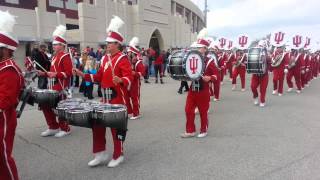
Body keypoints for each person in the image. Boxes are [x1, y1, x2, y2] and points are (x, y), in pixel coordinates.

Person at [74, 16, 133, 168]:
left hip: (117, 98)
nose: (107, 45)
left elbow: (129, 77)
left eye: (109, 43)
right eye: (107, 43)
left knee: (115, 129)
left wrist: (121, 80)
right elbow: (98, 76)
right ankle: (100, 154)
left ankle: (118, 155)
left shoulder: (123, 59)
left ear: (117, 44)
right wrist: (83, 75)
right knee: (97, 125)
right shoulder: (106, 59)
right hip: (104, 99)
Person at [0, 10, 24, 180]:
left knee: (3, 156)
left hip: (4, 118)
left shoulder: (9, 69)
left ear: (6, 50)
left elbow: (6, 99)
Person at [37, 25, 73, 138]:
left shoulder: (65, 56)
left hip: (61, 87)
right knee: (45, 105)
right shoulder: (54, 57)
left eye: (56, 44)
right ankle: (53, 126)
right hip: (51, 86)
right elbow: (52, 72)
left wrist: (56, 74)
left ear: (62, 45)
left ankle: (65, 128)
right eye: (53, 44)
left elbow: (69, 73)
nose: (53, 45)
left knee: (60, 109)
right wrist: (43, 73)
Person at [181, 28, 217, 138]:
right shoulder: (192, 58)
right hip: (193, 88)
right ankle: (190, 130)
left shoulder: (210, 61)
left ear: (205, 49)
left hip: (203, 89)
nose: (196, 49)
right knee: (188, 110)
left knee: (203, 111)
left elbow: (216, 76)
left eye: (199, 47)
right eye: (196, 47)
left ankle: (203, 130)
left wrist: (210, 77)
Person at [127, 37, 145, 120]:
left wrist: (135, 73)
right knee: (127, 97)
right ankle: (130, 111)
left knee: (135, 98)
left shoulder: (138, 62)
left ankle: (136, 113)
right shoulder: (129, 61)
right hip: (129, 82)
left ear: (133, 53)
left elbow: (143, 73)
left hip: (135, 83)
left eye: (129, 52)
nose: (127, 53)